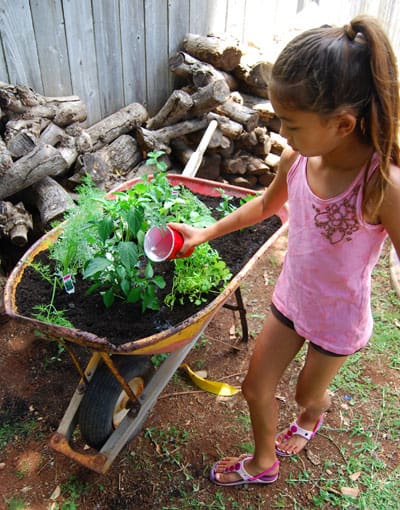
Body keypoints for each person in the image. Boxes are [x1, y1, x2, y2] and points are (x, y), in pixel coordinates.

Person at [169, 15, 400, 486]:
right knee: (255, 387)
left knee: (306, 394)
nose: (282, 134)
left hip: (338, 319)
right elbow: (264, 207)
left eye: (291, 124)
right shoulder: (296, 160)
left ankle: (312, 417)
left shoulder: (382, 185)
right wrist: (201, 233)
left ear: (342, 124)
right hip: (292, 299)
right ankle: (262, 463)